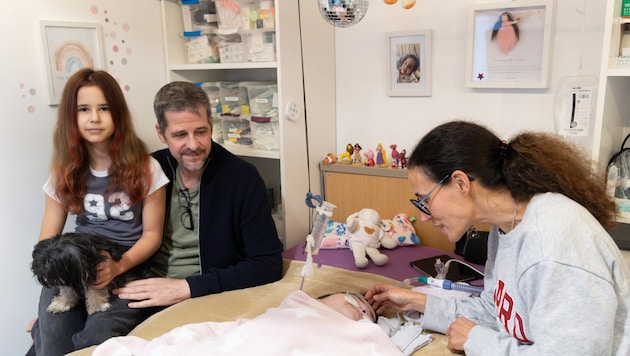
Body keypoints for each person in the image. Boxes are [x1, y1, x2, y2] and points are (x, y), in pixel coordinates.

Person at [367, 120, 630, 355]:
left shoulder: (553, 243)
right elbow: (499, 313)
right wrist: (420, 302)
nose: (423, 216)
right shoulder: (504, 227)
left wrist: (477, 341)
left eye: (425, 200)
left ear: (460, 183)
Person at [28, 69, 169, 355]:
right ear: (72, 116)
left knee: (97, 337)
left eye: (104, 108)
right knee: (52, 335)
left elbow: (152, 235)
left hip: (127, 267)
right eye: (84, 109)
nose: (94, 118)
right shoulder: (64, 172)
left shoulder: (146, 168)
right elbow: (47, 239)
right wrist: (62, 270)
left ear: (117, 113)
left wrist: (117, 266)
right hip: (75, 263)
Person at [113, 81, 283, 308]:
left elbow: (268, 264)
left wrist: (188, 287)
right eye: (180, 134)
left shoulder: (242, 178)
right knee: (93, 331)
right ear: (161, 133)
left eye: (201, 131)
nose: (193, 144)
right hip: (144, 283)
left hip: (205, 293)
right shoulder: (149, 169)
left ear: (211, 125)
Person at [92, 290, 396, 355]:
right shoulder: (291, 309)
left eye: (367, 313)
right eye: (354, 300)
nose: (362, 309)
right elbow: (218, 333)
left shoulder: (362, 334)